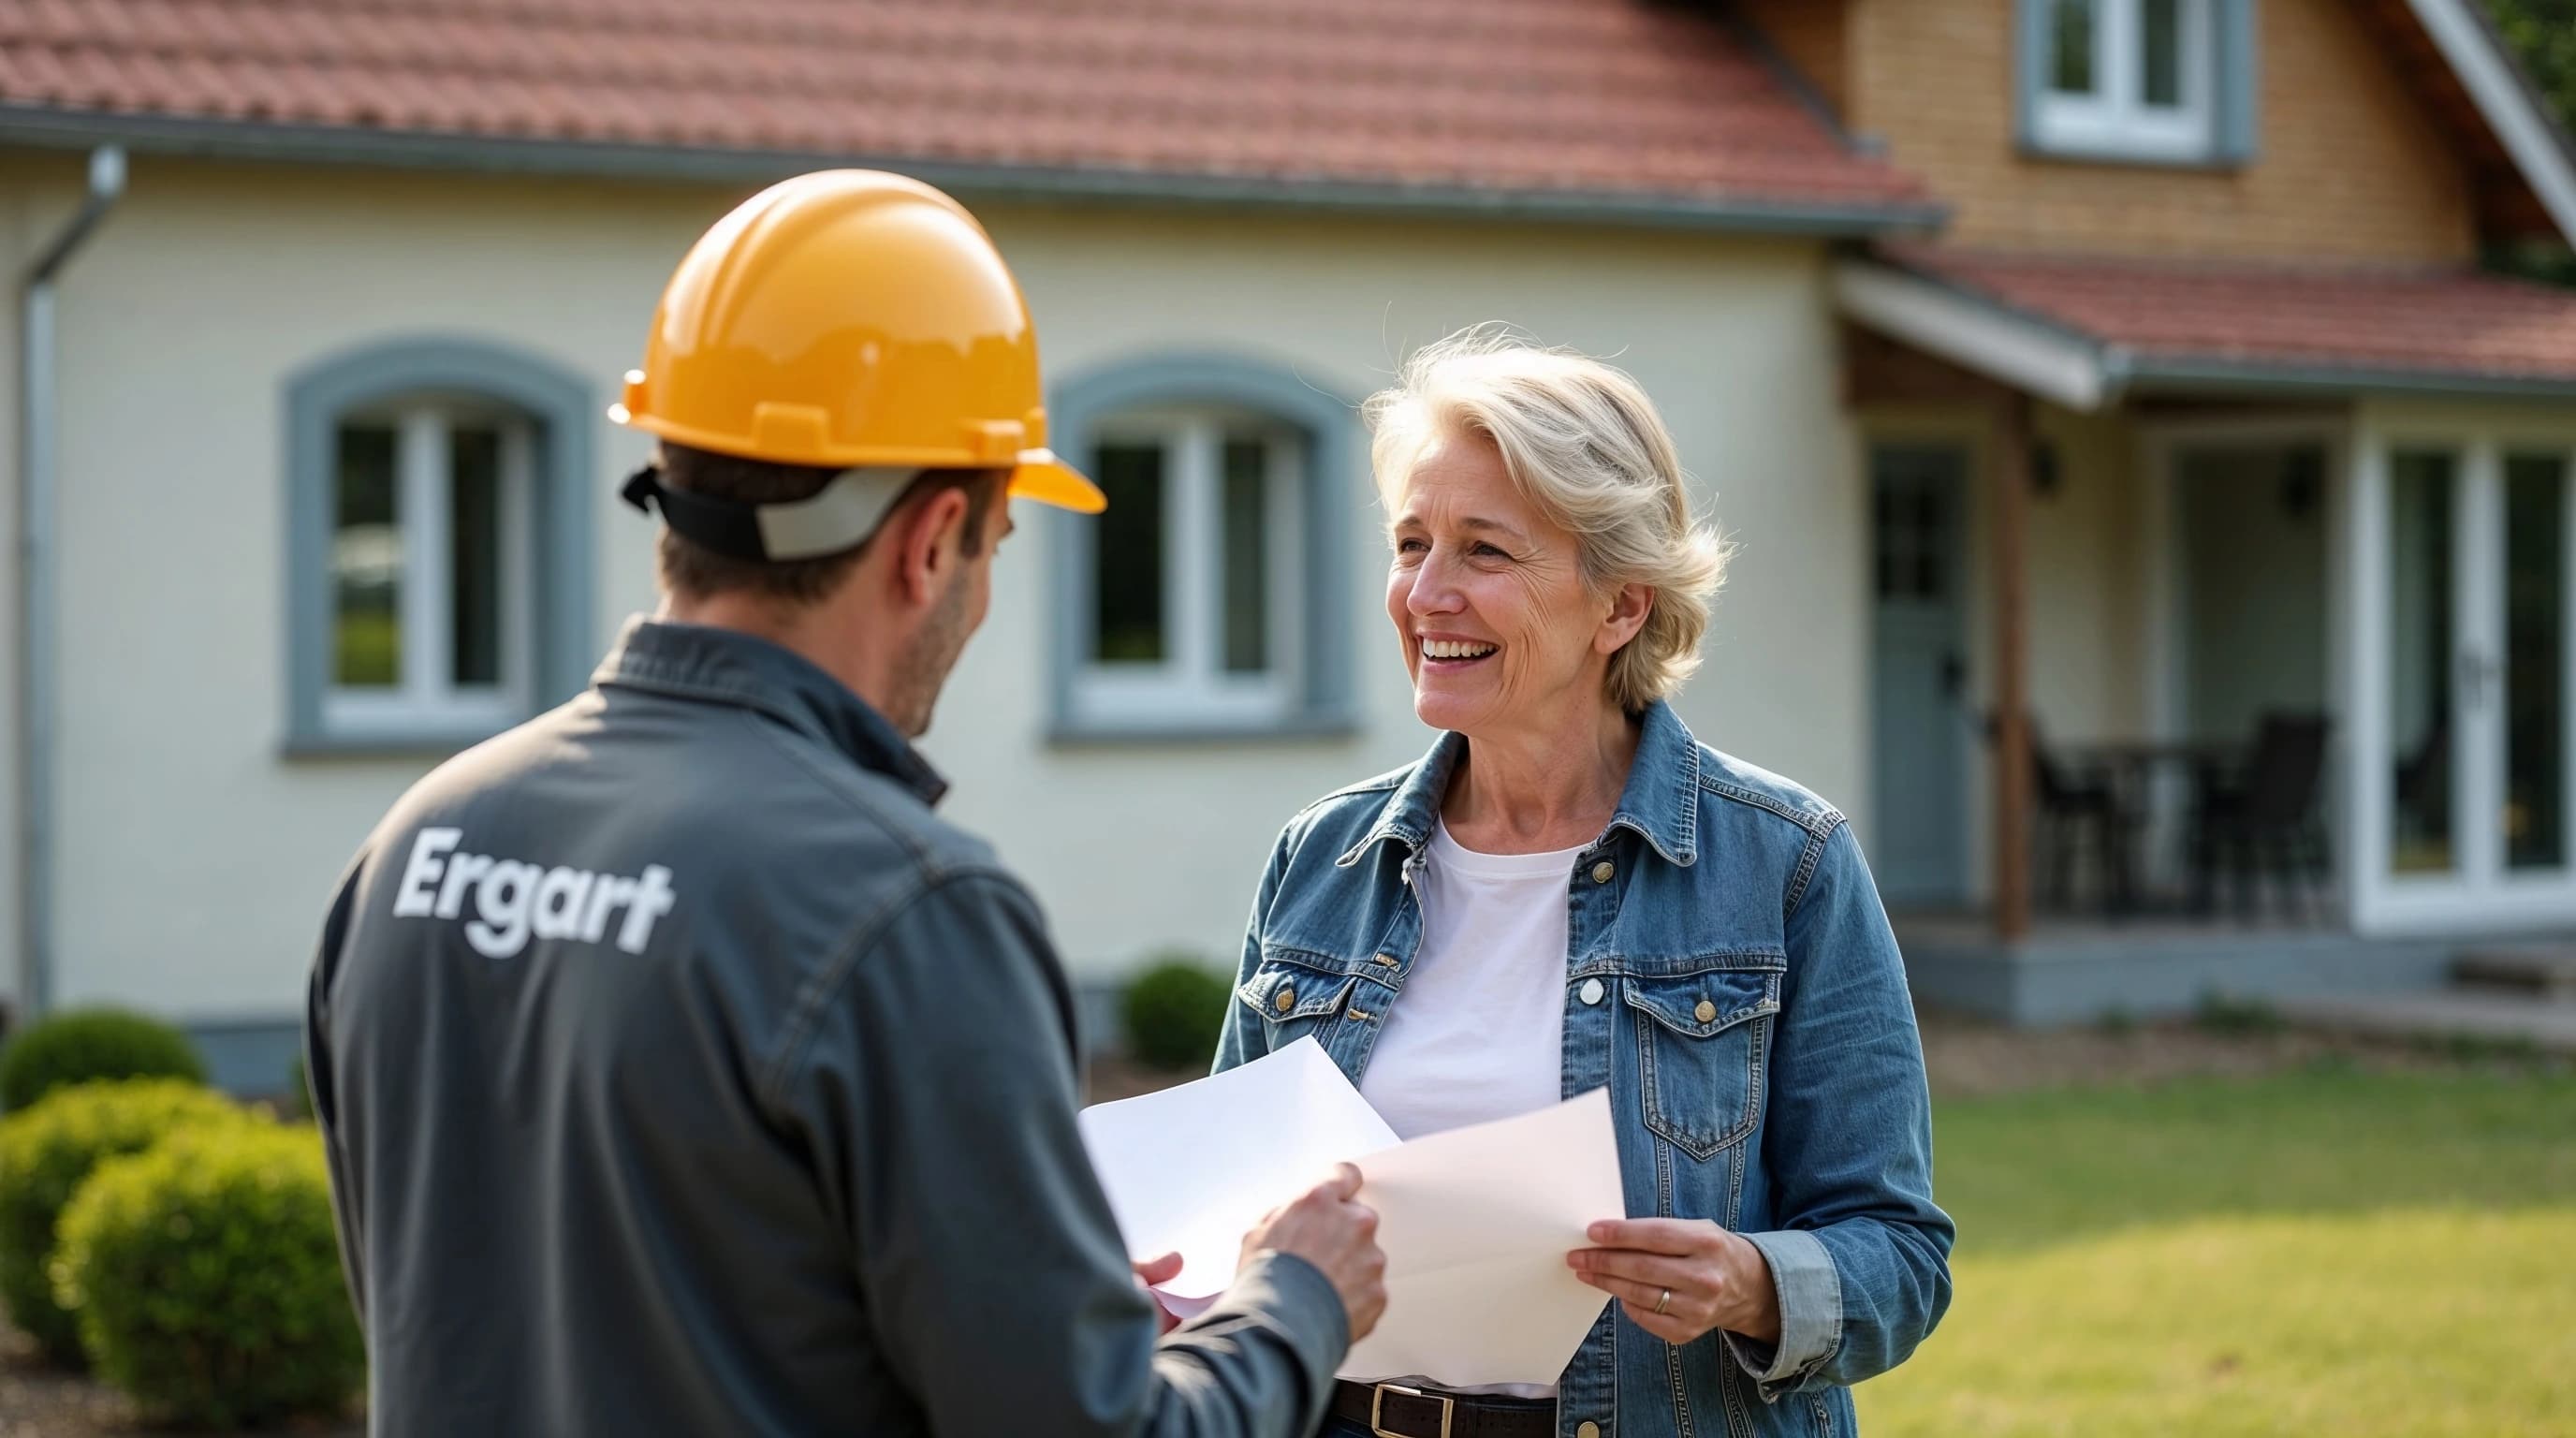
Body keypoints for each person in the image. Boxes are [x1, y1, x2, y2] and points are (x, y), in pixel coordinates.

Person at [304, 169, 1385, 1438]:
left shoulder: (422, 840)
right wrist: (1294, 1303)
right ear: (932, 542)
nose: (979, 599)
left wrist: (1038, 1310)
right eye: (994, 547)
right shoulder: (906, 908)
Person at [1215, 330, 1952, 1438]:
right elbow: (1232, 1215)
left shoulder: (1785, 865)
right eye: (1410, 542)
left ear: (1621, 607)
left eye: (1485, 552)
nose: (1425, 594)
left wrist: (1753, 1285)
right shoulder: (1321, 858)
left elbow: (1897, 1255)